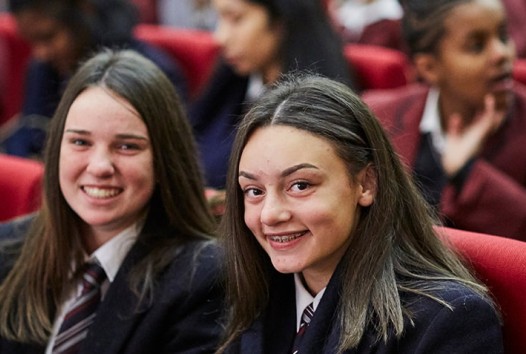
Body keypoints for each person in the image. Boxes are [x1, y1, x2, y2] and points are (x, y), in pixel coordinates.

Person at [216, 74, 502, 353]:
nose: (269, 214)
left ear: (366, 184)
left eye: (300, 185)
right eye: (254, 191)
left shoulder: (444, 320)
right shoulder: (257, 293)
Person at [0, 49, 223, 353]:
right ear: (55, 151)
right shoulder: (7, 247)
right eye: (80, 142)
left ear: (164, 159)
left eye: (127, 146)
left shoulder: (204, 279)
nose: (100, 166)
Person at [363, 0, 526, 241]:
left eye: (503, 37)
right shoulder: (378, 115)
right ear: (428, 68)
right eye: (477, 46)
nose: (502, 53)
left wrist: (466, 171)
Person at [189, 0, 357, 190]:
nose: (220, 37)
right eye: (218, 18)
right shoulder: (232, 84)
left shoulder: (317, 111)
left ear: (280, 22)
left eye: (236, 19)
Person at [2, 0, 188, 159]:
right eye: (31, 41)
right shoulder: (44, 67)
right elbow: (30, 133)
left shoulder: (152, 74)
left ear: (84, 12)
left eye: (48, 37)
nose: (41, 53)